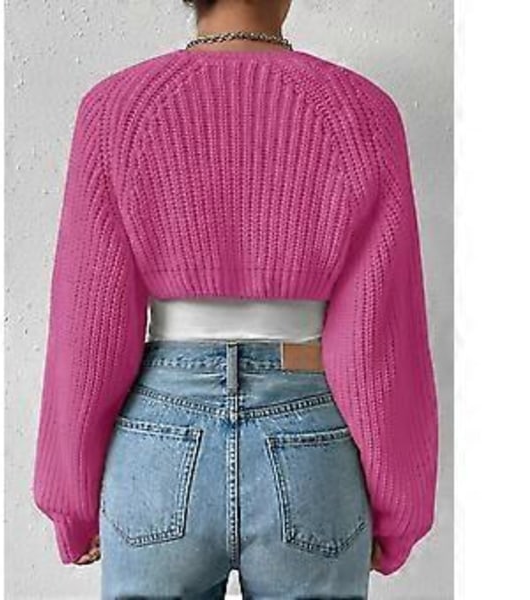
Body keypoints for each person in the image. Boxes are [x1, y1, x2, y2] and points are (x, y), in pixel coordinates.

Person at [32, 0, 439, 597]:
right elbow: (381, 334)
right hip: (309, 445)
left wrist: (71, 501)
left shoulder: (115, 109)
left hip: (158, 447)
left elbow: (88, 327)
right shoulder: (361, 111)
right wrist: (400, 509)